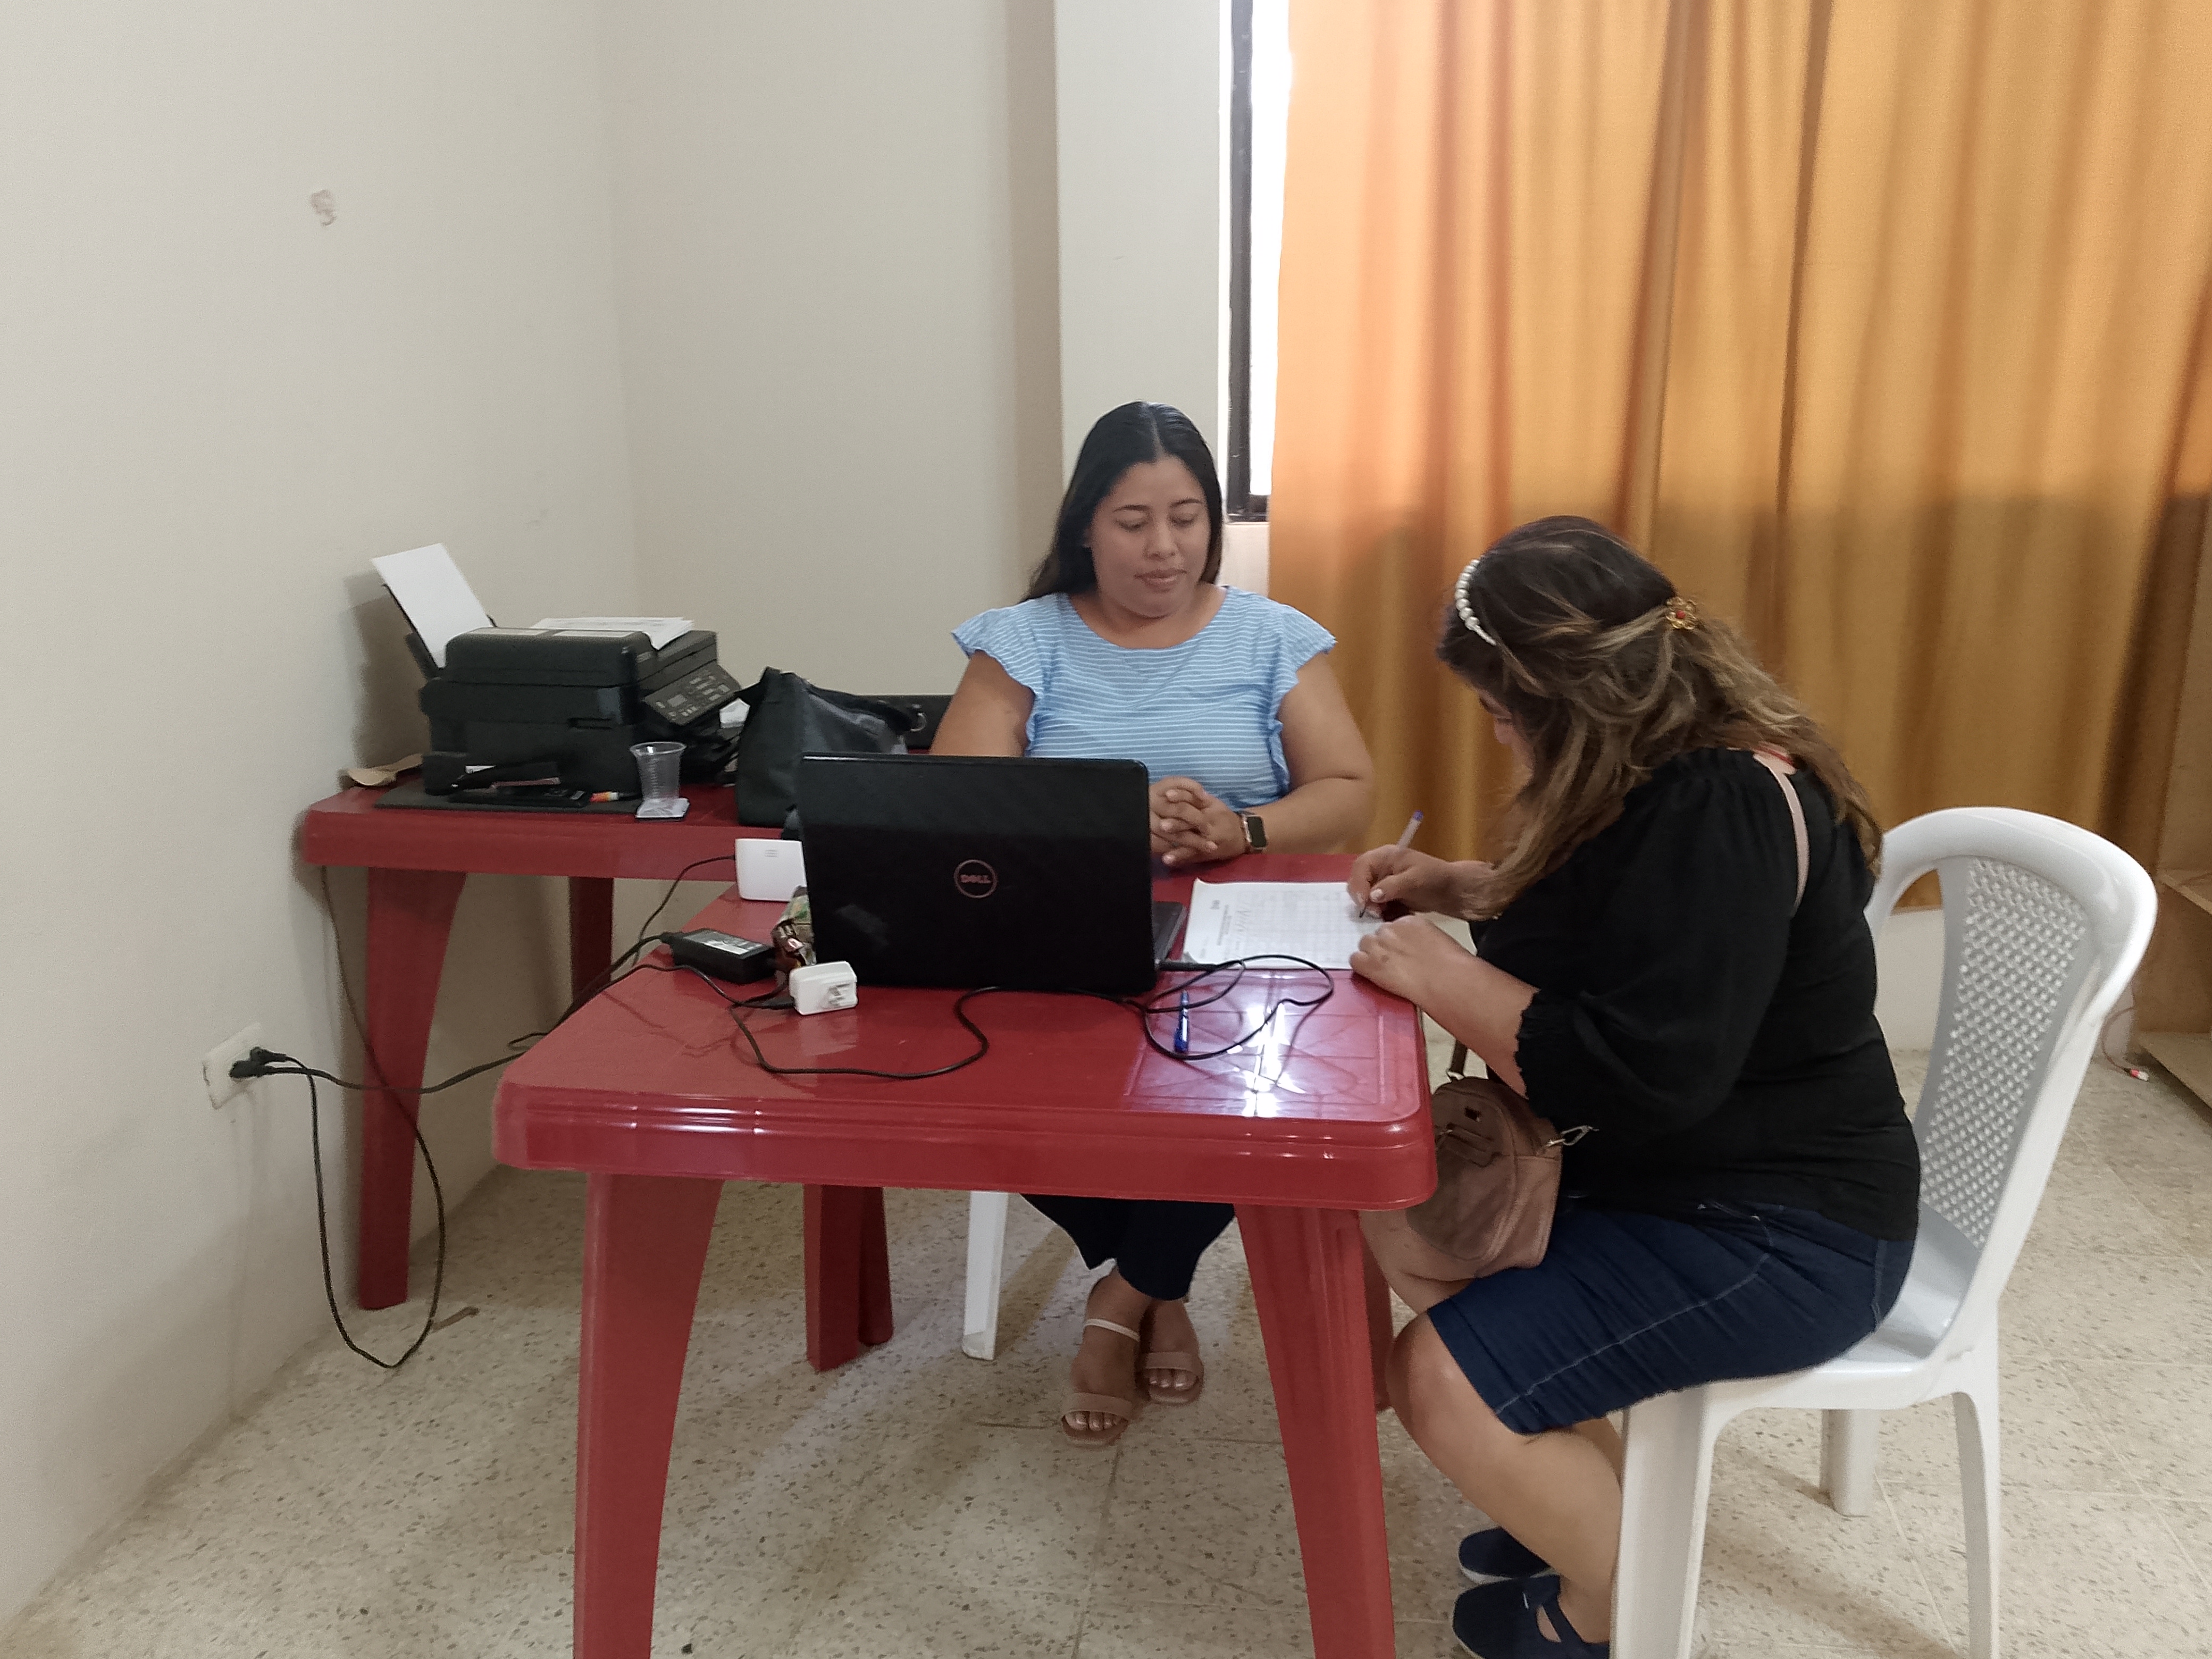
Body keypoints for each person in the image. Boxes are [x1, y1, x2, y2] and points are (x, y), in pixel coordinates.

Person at [1345, 517, 1917, 1658]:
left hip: (1788, 1228)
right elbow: (1628, 921)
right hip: (1697, 1177)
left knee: (1439, 1381)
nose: (1496, 732)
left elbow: (1642, 1074)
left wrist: (1440, 974)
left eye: (1501, 711)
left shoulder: (1722, 806)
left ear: (1571, 705)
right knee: (1416, 1228)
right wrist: (1462, 885)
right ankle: (1585, 1510)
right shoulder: (1664, 769)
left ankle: (1616, 1610)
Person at [933, 401, 1374, 1445]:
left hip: (1241, 933)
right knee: (973, 1090)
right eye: (1133, 521)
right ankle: (1157, 1283)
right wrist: (1101, 816)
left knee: (1248, 1099)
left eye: (1186, 517)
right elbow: (955, 802)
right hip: (1060, 929)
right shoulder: (1022, 640)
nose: (1164, 546)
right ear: (1086, 526)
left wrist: (1243, 827)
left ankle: (1123, 1298)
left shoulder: (1273, 636)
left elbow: (1348, 790)